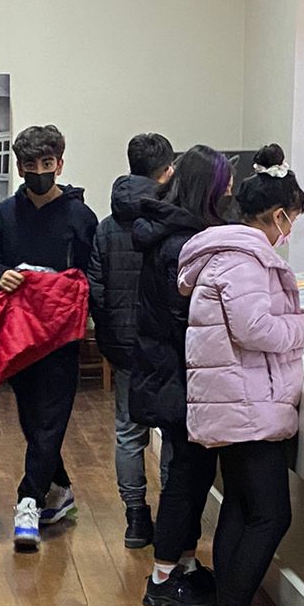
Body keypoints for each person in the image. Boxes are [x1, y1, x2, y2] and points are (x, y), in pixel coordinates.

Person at [175, 145, 304, 606]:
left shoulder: (229, 254)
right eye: (293, 217)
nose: (291, 228)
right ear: (278, 215)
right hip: (246, 406)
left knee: (241, 508)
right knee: (270, 516)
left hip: (239, 401)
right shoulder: (245, 260)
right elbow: (255, 328)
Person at [130, 146, 234, 606]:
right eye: (225, 186)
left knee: (191, 474)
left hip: (172, 372)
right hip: (179, 375)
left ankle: (184, 564)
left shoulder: (173, 233)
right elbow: (188, 317)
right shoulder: (182, 244)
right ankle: (164, 575)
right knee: (186, 478)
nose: (229, 193)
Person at [0, 123, 98, 552]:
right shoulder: (5, 214)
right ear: (19, 168)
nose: (38, 171)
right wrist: (2, 275)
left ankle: (27, 502)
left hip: (61, 335)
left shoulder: (80, 217)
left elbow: (92, 276)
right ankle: (61, 489)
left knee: (51, 418)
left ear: (60, 164)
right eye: (30, 165)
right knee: (34, 421)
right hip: (18, 332)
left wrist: (84, 312)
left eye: (46, 163)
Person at [89, 131, 175, 549]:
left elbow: (97, 288)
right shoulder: (174, 220)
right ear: (167, 171)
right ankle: (174, 514)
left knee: (128, 431)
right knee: (174, 429)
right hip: (168, 344)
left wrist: (110, 339)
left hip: (124, 346)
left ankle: (136, 519)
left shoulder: (107, 227)